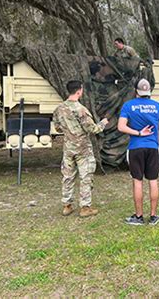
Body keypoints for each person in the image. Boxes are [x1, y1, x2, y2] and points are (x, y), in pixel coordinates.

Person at [53, 80, 109, 217]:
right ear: (79, 91)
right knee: (86, 177)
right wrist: (103, 122)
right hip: (83, 149)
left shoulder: (59, 109)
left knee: (67, 176)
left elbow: (57, 127)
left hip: (68, 148)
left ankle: (67, 206)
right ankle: (85, 208)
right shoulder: (81, 110)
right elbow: (93, 129)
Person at [118, 78, 159, 226]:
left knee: (137, 181)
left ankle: (138, 216)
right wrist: (157, 143)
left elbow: (121, 127)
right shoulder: (157, 106)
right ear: (149, 91)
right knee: (153, 180)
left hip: (135, 147)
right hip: (152, 147)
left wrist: (138, 133)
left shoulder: (128, 106)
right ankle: (153, 216)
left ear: (136, 91)